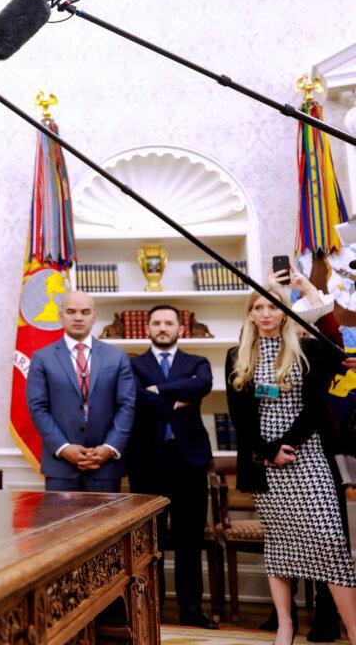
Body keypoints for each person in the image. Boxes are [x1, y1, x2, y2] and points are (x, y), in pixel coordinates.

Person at [225, 269, 356, 645]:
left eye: (274, 307)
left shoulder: (308, 348)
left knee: (330, 540)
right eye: (259, 307)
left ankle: (352, 628)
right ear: (250, 314)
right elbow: (240, 415)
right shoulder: (238, 354)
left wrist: (306, 289)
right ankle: (285, 625)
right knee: (280, 545)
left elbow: (321, 394)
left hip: (307, 455)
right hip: (265, 463)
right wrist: (267, 451)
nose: (266, 313)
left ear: (286, 313)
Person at [127, 304, 216, 629]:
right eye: (157, 323)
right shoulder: (134, 365)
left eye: (169, 322)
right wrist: (179, 396)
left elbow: (202, 385)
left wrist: (159, 391)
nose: (163, 327)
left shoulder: (197, 363)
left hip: (189, 462)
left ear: (181, 328)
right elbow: (136, 398)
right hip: (148, 462)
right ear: (147, 328)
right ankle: (153, 609)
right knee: (151, 543)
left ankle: (191, 609)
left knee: (189, 539)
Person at [26, 290, 136, 492]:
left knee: (106, 524)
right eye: (71, 311)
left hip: (105, 465)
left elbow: (126, 406)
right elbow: (38, 408)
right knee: (62, 524)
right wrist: (64, 448)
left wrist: (109, 448)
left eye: (85, 312)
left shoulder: (117, 357)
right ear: (60, 315)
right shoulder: (42, 358)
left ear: (94, 317)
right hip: (60, 466)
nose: (78, 317)